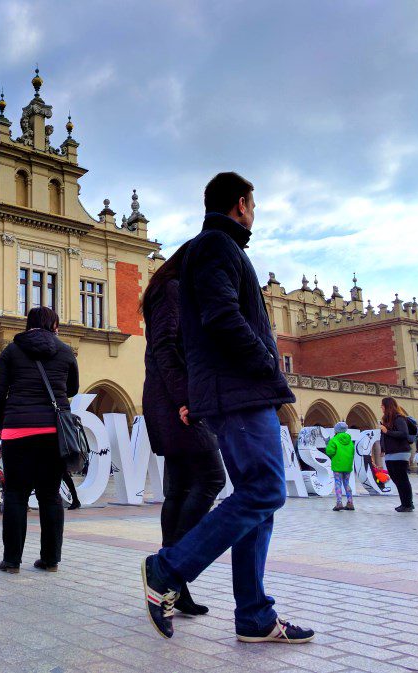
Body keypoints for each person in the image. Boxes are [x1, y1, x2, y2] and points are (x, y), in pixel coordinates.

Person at [141, 172, 313, 643]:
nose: (253, 213)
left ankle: (254, 616)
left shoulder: (212, 249)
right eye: (253, 205)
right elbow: (221, 316)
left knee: (259, 503)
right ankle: (168, 568)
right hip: (241, 390)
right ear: (241, 203)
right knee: (263, 493)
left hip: (234, 391)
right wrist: (266, 362)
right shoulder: (217, 246)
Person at [140, 241, 226, 616]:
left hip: (169, 398)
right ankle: (168, 570)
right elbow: (165, 347)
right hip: (177, 401)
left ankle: (174, 586)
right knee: (211, 478)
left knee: (179, 489)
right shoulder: (173, 290)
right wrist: (184, 398)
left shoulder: (169, 291)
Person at [0, 306, 79, 574]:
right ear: (54, 325)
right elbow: (72, 388)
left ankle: (11, 562)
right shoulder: (65, 350)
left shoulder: (12, 350)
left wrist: (2, 423)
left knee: (15, 494)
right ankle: (50, 560)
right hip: (53, 433)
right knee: (50, 495)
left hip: (18, 431)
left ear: (28, 324)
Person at [379, 397, 414, 513]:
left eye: (382, 405)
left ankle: (408, 504)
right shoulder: (387, 420)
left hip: (400, 452)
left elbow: (404, 434)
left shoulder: (399, 418)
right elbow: (385, 437)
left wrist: (387, 431)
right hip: (390, 453)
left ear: (387, 406)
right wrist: (383, 448)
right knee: (396, 478)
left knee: (402, 478)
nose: (381, 407)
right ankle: (404, 503)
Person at [325, 422, 355, 512]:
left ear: (336, 430)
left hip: (337, 465)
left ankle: (339, 503)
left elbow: (330, 452)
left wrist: (327, 444)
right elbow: (352, 452)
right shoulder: (349, 440)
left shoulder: (334, 440)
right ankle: (350, 503)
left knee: (338, 483)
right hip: (348, 466)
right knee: (347, 483)